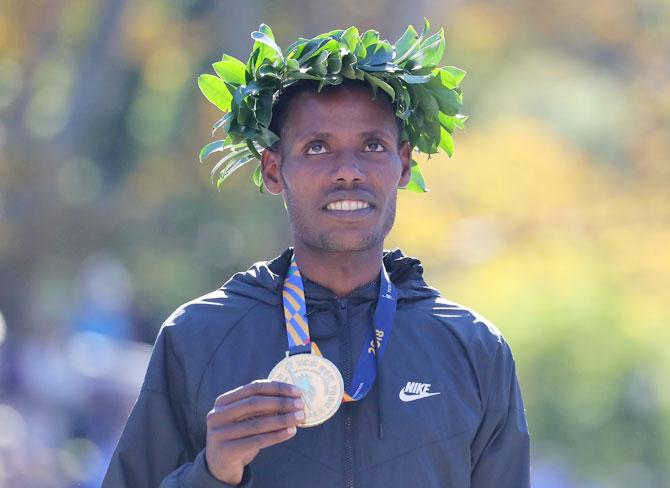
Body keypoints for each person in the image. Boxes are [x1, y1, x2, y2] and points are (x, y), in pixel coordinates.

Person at [102, 23, 530, 487]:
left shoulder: (472, 348)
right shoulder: (198, 338)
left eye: (372, 145)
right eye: (317, 146)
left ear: (403, 164)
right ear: (273, 169)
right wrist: (212, 473)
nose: (347, 171)